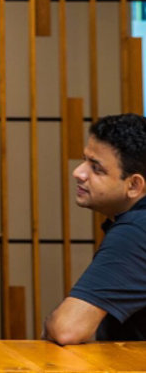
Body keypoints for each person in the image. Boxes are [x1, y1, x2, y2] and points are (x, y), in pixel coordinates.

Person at [45, 113, 146, 344]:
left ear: (134, 185)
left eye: (96, 168)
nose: (78, 173)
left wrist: (48, 323)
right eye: (84, 160)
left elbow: (67, 329)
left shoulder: (135, 231)